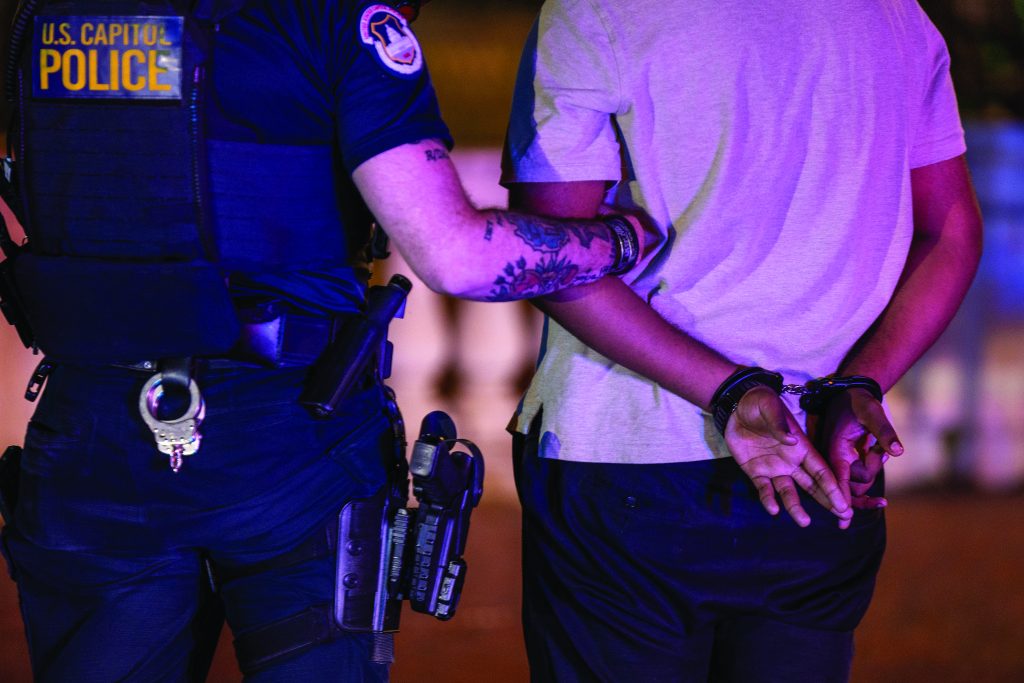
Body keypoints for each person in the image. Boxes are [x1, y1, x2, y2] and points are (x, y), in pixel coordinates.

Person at [0, 0, 651, 680]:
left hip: (89, 435)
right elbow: (458, 256)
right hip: (290, 439)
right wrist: (619, 238)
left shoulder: (47, 14)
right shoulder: (336, 22)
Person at [502, 0, 983, 680]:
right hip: (820, 460)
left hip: (627, 459)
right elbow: (952, 234)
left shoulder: (595, 9)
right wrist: (861, 382)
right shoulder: (897, 15)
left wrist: (732, 393)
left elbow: (550, 256)